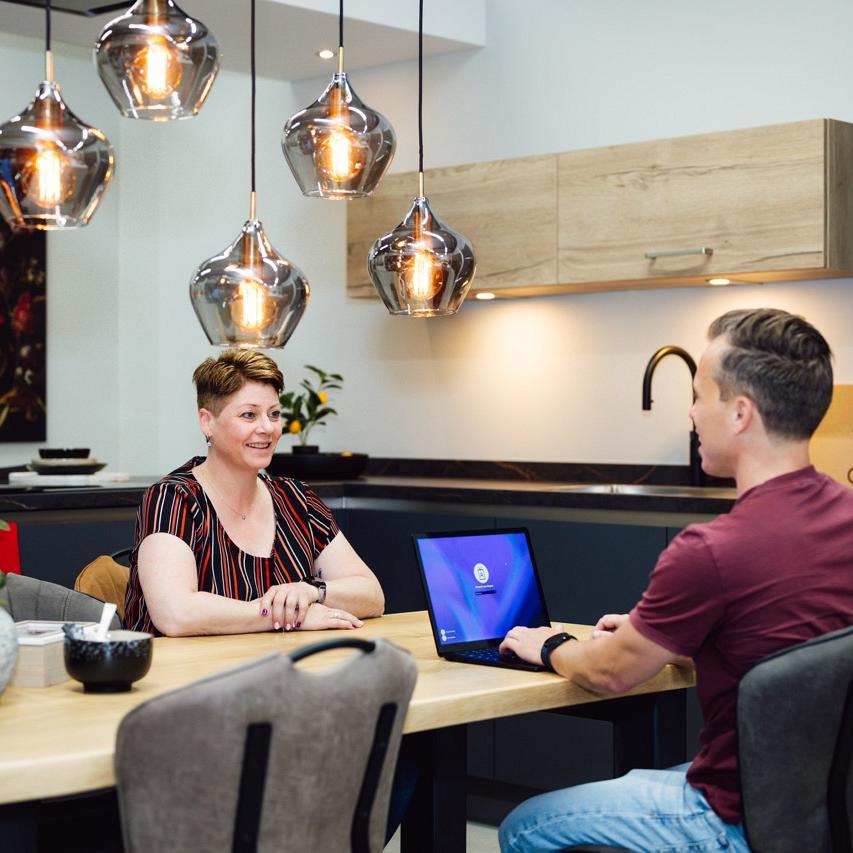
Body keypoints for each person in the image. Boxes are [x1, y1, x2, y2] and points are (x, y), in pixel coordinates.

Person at [498, 308, 853, 853]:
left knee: (524, 825)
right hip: (820, 809)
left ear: (739, 413)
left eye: (697, 395)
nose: (690, 414)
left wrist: (551, 645)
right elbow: (787, 646)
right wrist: (665, 635)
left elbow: (610, 670)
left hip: (733, 815)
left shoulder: (712, 549)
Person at [124, 349, 384, 636]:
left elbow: (372, 594)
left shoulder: (296, 498)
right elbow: (175, 614)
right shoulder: (172, 499)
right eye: (249, 415)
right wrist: (288, 616)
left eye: (274, 414)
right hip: (184, 676)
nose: (267, 428)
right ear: (207, 422)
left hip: (281, 672)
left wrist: (311, 591)